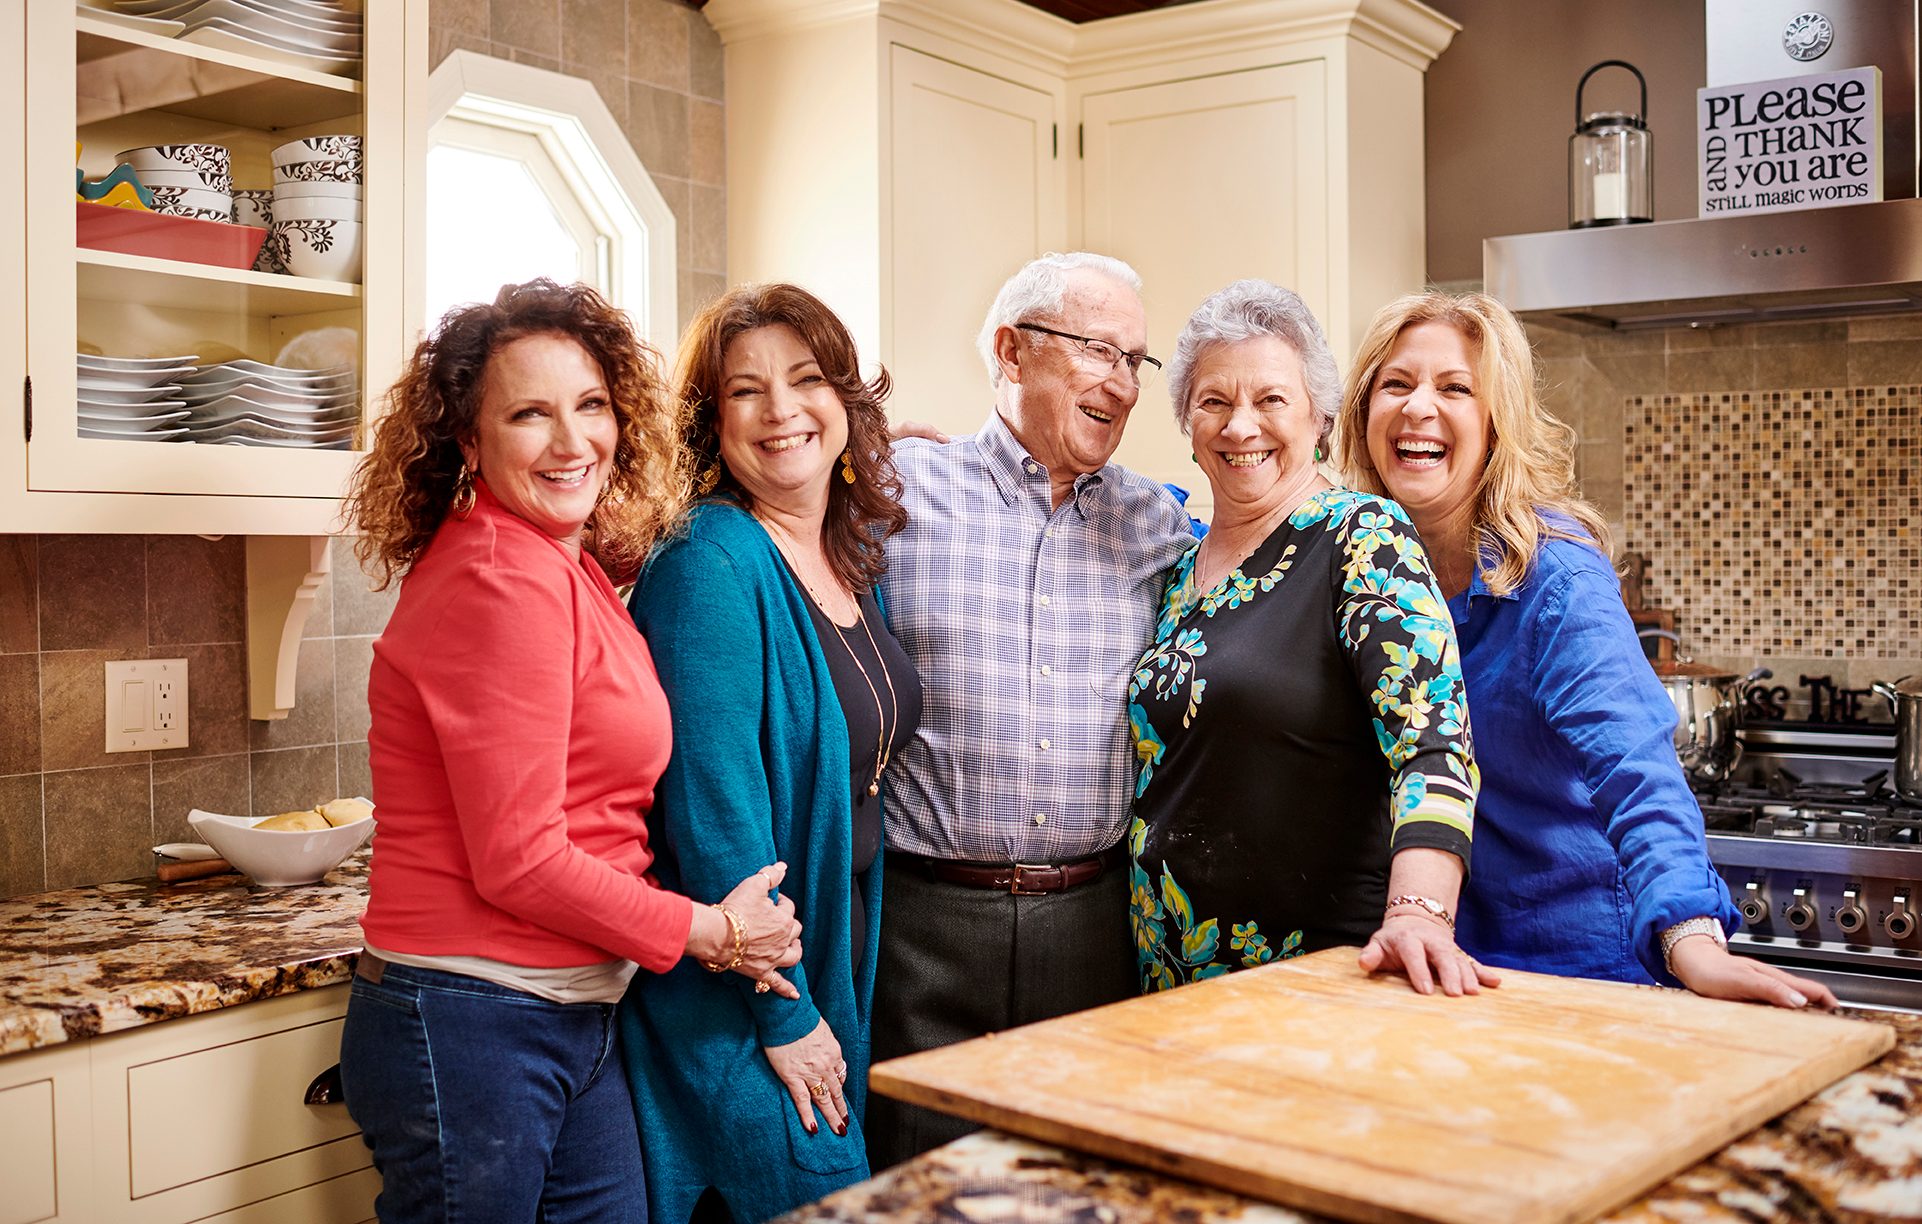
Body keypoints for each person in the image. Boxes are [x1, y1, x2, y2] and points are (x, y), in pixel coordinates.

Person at [339, 278, 802, 1224]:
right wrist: (712, 934)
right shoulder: (502, 580)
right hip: (472, 1021)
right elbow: (520, 860)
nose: (572, 442)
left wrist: (859, 455)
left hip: (562, 1014)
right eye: (529, 415)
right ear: (469, 441)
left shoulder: (563, 561)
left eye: (591, 406)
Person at [1334, 290, 1837, 1008]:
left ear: (1495, 422)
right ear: (1362, 415)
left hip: (1571, 964)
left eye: (1455, 388)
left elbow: (1635, 766)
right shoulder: (1357, 570)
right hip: (1426, 963)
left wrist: (1691, 937)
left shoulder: (1556, 576)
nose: (1420, 408)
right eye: (1396, 384)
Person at [868, 252, 1197, 1169]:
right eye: (1100, 350)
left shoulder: (1159, 526)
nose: (1125, 385)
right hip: (925, 927)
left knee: (1084, 1188)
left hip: (1096, 927)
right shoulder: (892, 493)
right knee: (923, 1187)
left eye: (1137, 360)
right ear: (1012, 354)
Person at [621, 283, 923, 1224]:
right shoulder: (710, 562)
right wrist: (785, 1016)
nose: (783, 410)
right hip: (736, 1003)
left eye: (806, 379)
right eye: (746, 391)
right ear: (713, 425)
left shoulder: (841, 555)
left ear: (844, 401)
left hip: (831, 958)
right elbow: (716, 817)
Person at [1128, 279, 1489, 997]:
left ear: (1320, 416)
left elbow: (1436, 747)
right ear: (1186, 422)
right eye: (1214, 401)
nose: (1240, 427)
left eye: (1271, 400)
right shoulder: (1177, 571)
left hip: (1315, 978)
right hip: (1165, 982)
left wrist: (1419, 915)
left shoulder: (1361, 537)